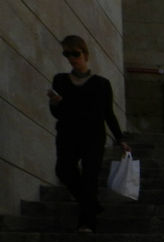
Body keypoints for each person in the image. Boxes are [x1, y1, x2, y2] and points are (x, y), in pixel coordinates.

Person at [47, 35, 130, 232]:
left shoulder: (101, 84)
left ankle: (87, 221)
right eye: (67, 54)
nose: (71, 58)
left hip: (93, 136)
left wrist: (120, 139)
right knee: (64, 170)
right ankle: (91, 205)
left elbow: (107, 113)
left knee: (90, 177)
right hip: (68, 134)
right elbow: (58, 113)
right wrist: (54, 103)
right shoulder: (60, 80)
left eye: (75, 53)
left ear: (85, 54)